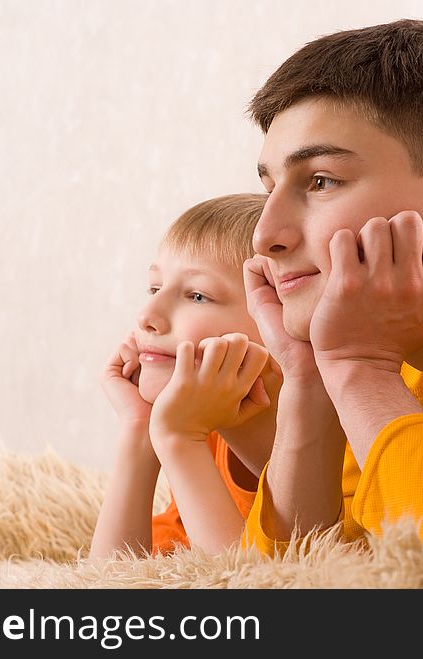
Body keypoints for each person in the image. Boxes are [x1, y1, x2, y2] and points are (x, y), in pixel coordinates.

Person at [242, 19, 423, 554]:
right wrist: (309, 376)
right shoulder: (395, 366)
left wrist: (359, 369)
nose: (264, 236)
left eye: (320, 181)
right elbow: (269, 589)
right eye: (268, 187)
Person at [90, 193, 280, 557]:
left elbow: (246, 595)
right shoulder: (207, 436)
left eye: (196, 296)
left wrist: (180, 440)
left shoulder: (339, 451)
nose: (148, 314)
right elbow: (111, 586)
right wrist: (140, 429)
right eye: (155, 288)